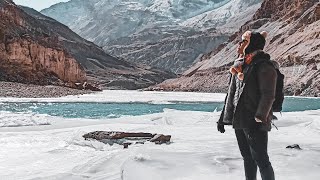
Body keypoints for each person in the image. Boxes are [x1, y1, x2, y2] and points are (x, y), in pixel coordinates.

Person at [217, 31, 276, 180]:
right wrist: (222, 118)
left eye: (243, 41)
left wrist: (260, 116)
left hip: (255, 121)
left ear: (252, 44)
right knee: (247, 158)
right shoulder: (239, 67)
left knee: (261, 160)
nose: (239, 45)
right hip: (240, 120)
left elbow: (268, 94)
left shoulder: (264, 66)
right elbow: (231, 95)